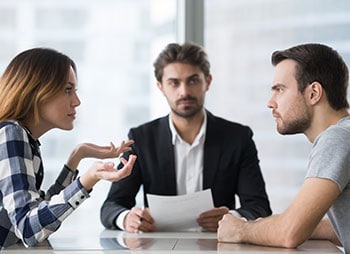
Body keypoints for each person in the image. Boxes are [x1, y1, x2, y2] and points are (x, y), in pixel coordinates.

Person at [100, 42, 272, 233]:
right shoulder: (141, 139)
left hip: (218, 247)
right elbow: (111, 206)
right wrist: (127, 219)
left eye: (193, 81)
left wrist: (232, 219)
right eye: (174, 83)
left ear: (207, 82)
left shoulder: (238, 138)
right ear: (160, 87)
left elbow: (259, 207)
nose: (184, 92)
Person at [0, 48, 137, 249]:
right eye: (67, 90)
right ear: (37, 91)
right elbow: (28, 228)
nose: (77, 101)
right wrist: (87, 180)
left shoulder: (22, 137)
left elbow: (35, 210)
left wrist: (76, 157)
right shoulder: (11, 134)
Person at [218, 43, 349, 252]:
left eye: (280, 89)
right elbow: (341, 230)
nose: (271, 102)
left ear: (314, 93)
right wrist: (271, 225)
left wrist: (241, 230)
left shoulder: (337, 139)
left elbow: (290, 234)